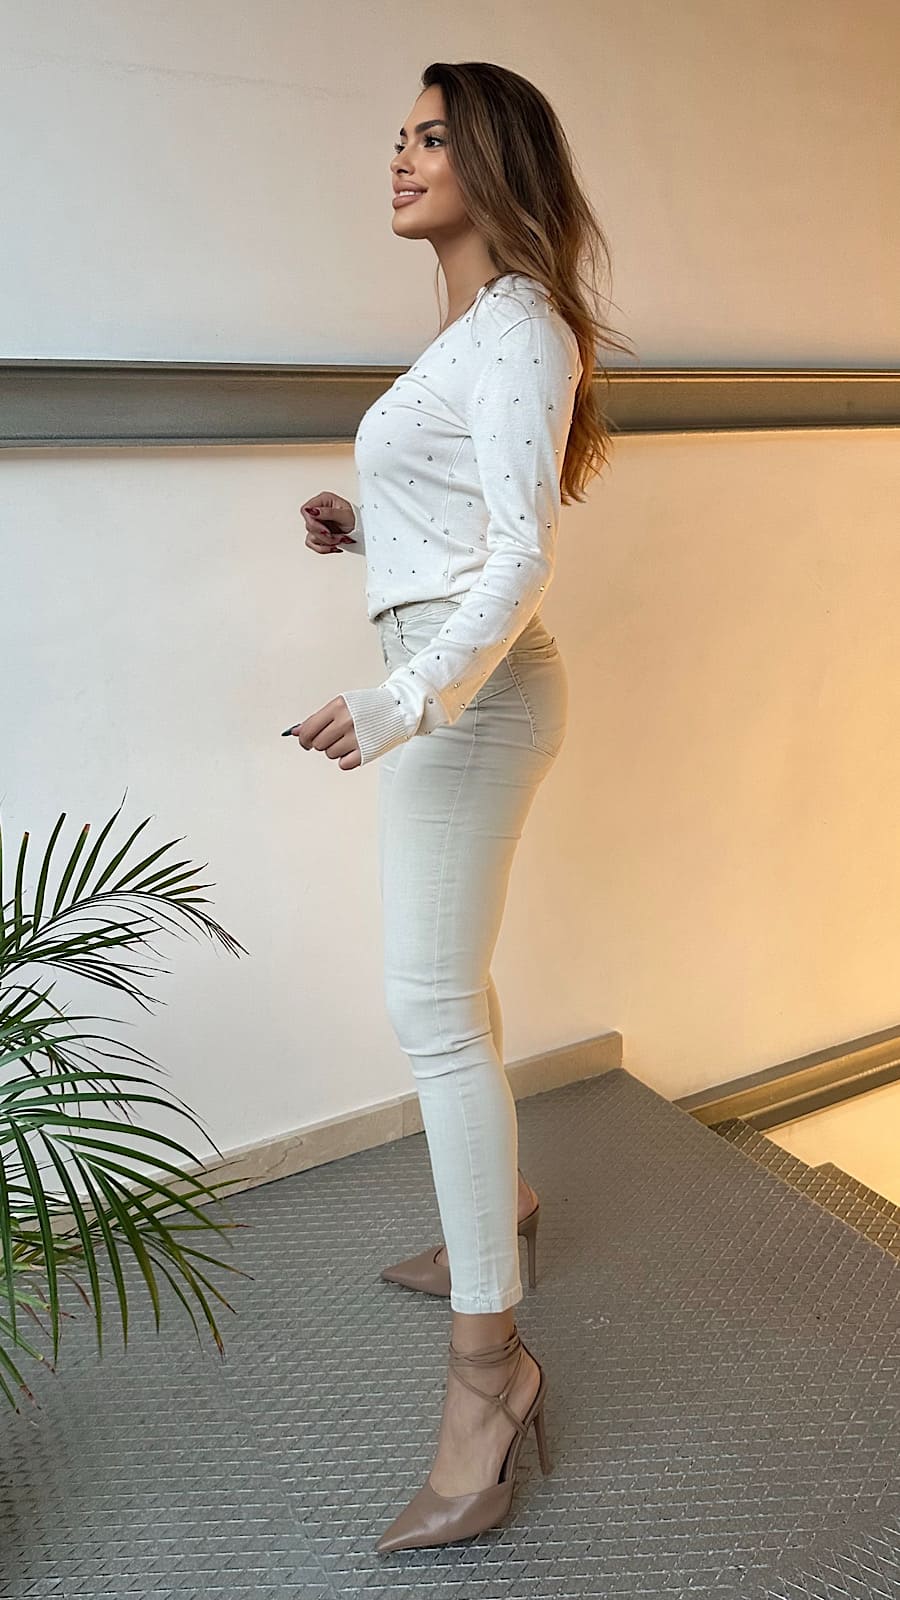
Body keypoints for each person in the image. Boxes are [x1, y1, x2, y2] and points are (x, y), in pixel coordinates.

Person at [289, 60, 629, 1553]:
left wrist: (400, 700)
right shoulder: (476, 329)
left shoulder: (522, 326)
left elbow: (522, 561)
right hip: (454, 684)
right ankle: (505, 1212)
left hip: (473, 699)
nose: (401, 155)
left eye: (431, 136)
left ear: (492, 161)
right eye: (402, 135)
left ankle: (491, 1377)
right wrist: (366, 527)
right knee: (451, 990)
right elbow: (465, 524)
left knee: (427, 1006)